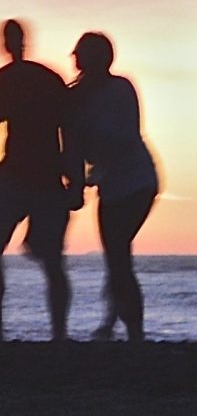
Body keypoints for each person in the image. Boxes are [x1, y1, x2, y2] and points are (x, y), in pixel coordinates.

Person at [69, 32, 159, 343]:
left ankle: (133, 330)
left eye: (79, 52)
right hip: (111, 184)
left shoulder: (119, 88)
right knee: (117, 256)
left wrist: (85, 139)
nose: (74, 57)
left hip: (136, 182)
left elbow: (122, 136)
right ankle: (113, 322)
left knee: (119, 256)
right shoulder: (78, 96)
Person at [0, 19, 83, 342]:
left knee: (52, 261)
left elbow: (69, 131)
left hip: (28, 175)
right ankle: (59, 334)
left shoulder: (12, 79)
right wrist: (74, 179)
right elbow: (70, 132)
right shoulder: (47, 78)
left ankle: (59, 333)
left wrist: (75, 179)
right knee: (53, 262)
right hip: (40, 175)